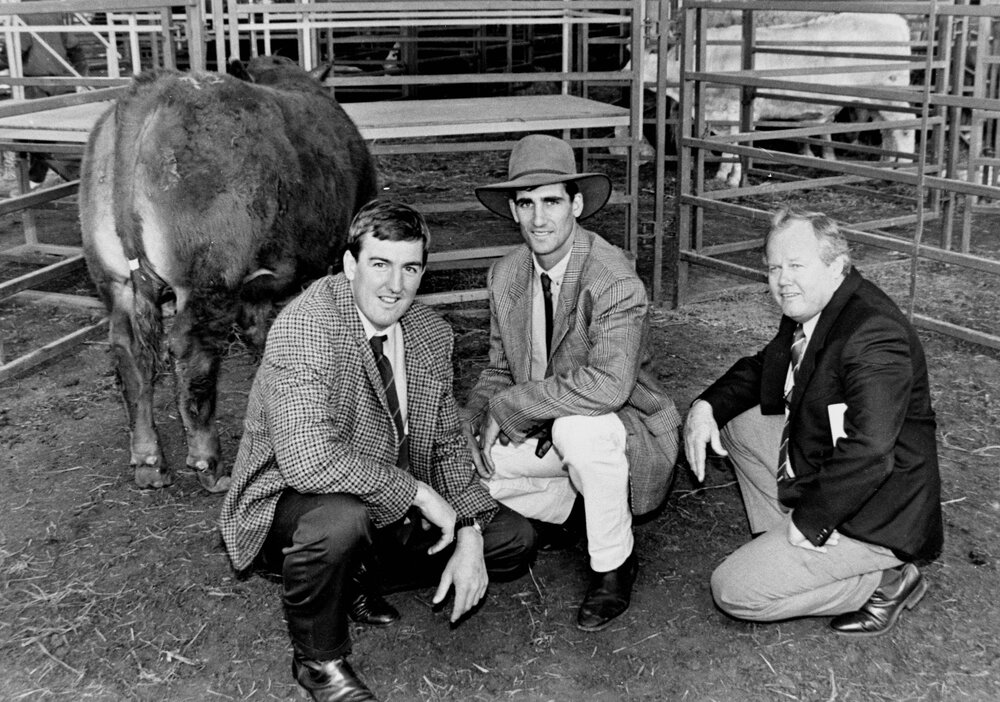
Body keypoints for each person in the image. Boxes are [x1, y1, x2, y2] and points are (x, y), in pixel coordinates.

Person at [219, 200, 536, 702]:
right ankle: (318, 661)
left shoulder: (430, 333)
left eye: (410, 268)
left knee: (512, 539)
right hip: (297, 502)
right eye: (380, 265)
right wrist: (416, 491)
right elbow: (308, 460)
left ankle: (357, 578)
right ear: (350, 266)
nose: (395, 285)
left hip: (387, 501)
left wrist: (471, 528)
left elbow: (447, 440)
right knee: (341, 522)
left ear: (422, 273)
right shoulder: (309, 325)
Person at [684, 208, 943, 637]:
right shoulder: (816, 303)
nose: (783, 279)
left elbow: (872, 450)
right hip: (837, 468)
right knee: (740, 422)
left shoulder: (874, 332)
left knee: (732, 590)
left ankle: (888, 581)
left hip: (878, 507)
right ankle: (786, 547)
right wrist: (705, 407)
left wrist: (812, 521)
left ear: (837, 265)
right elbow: (766, 367)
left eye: (796, 265)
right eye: (774, 268)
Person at [463, 134, 681, 633]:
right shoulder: (506, 275)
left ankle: (613, 564)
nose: (539, 219)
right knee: (461, 465)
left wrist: (513, 407)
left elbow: (607, 385)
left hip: (618, 428)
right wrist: (475, 416)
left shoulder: (612, 277)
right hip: (541, 425)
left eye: (552, 201)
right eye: (526, 203)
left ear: (576, 205)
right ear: (514, 211)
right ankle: (577, 508)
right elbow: (499, 368)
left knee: (576, 433)